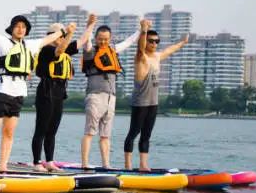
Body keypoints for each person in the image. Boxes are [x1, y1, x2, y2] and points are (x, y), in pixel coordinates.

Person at [0, 5, 61, 171]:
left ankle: (3, 166)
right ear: (11, 29)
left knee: (9, 132)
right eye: (17, 26)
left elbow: (48, 39)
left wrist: (65, 31)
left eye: (23, 27)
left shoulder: (31, 45)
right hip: (2, 91)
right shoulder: (4, 43)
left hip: (18, 93)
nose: (20, 29)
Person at [125, 19, 190, 171]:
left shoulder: (157, 57)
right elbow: (140, 48)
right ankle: (127, 166)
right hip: (140, 102)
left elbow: (170, 50)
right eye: (151, 41)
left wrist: (183, 42)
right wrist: (143, 30)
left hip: (153, 103)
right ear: (146, 41)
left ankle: (143, 165)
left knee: (146, 135)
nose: (154, 44)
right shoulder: (141, 58)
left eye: (156, 41)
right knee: (134, 132)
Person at [78, 17, 140, 168]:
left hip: (111, 98)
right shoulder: (90, 51)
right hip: (95, 96)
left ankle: (106, 164)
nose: (103, 42)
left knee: (106, 135)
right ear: (96, 38)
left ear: (110, 39)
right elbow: (86, 41)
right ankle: (85, 163)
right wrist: (90, 25)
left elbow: (129, 42)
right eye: (100, 39)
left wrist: (141, 29)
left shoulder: (113, 50)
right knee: (90, 131)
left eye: (106, 39)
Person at [31, 17, 91, 170]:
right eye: (59, 35)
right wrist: (69, 34)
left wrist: (90, 24)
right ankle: (37, 162)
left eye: (62, 35)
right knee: (42, 128)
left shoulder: (65, 48)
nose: (62, 37)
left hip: (59, 91)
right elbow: (58, 51)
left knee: (52, 129)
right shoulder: (46, 49)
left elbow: (83, 40)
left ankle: (49, 161)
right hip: (46, 90)